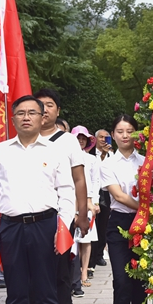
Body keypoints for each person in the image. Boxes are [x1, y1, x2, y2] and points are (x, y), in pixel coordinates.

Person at [0, 95, 75, 304]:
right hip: (10, 227)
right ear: (12, 118)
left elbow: (67, 193)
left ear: (42, 117)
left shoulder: (54, 151)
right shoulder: (0, 151)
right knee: (16, 293)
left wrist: (64, 228)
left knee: (47, 291)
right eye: (20, 113)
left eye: (32, 113)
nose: (26, 117)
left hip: (45, 226)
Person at [33, 89, 88, 304]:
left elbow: (79, 179)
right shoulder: (25, 139)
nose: (44, 110)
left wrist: (82, 214)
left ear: (58, 111)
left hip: (61, 216)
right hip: (32, 216)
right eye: (39, 105)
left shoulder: (66, 141)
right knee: (32, 274)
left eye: (49, 105)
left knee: (60, 273)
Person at [99, 114, 147, 304]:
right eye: (120, 131)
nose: (125, 135)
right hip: (119, 223)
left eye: (130, 130)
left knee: (141, 280)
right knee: (121, 279)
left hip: (146, 226)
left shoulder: (147, 161)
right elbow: (117, 196)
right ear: (113, 134)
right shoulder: (108, 163)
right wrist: (145, 208)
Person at [70, 125, 99, 292]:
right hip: (70, 200)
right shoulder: (66, 156)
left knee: (86, 239)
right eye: (78, 138)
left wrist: (94, 202)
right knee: (73, 240)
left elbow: (95, 181)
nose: (81, 141)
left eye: (84, 138)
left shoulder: (92, 160)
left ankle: (84, 273)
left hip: (87, 202)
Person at [89, 129, 113, 273]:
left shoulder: (112, 153)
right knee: (94, 223)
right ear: (96, 139)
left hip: (107, 191)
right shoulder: (90, 153)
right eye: (101, 137)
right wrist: (103, 154)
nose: (104, 140)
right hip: (94, 191)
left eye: (107, 137)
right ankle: (91, 255)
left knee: (104, 224)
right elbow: (96, 169)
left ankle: (99, 254)